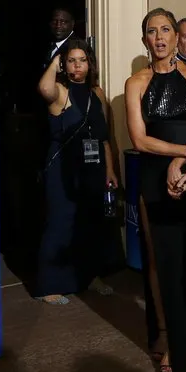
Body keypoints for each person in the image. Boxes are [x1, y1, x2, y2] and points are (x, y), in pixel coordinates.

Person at [124, 8, 186, 372]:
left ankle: (185, 338)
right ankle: (166, 336)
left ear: (177, 36)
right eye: (151, 31)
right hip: (152, 178)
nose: (159, 37)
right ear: (144, 39)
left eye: (165, 30)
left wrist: (185, 162)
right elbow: (140, 139)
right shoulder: (136, 82)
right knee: (159, 262)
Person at [33, 39, 118, 305]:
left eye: (82, 60)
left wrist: (111, 170)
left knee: (90, 224)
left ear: (89, 63)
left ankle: (89, 277)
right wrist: (56, 59)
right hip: (62, 168)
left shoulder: (97, 93)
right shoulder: (60, 91)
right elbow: (43, 87)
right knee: (61, 223)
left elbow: (103, 137)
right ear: (64, 65)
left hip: (93, 167)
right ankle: (50, 286)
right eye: (71, 60)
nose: (77, 65)